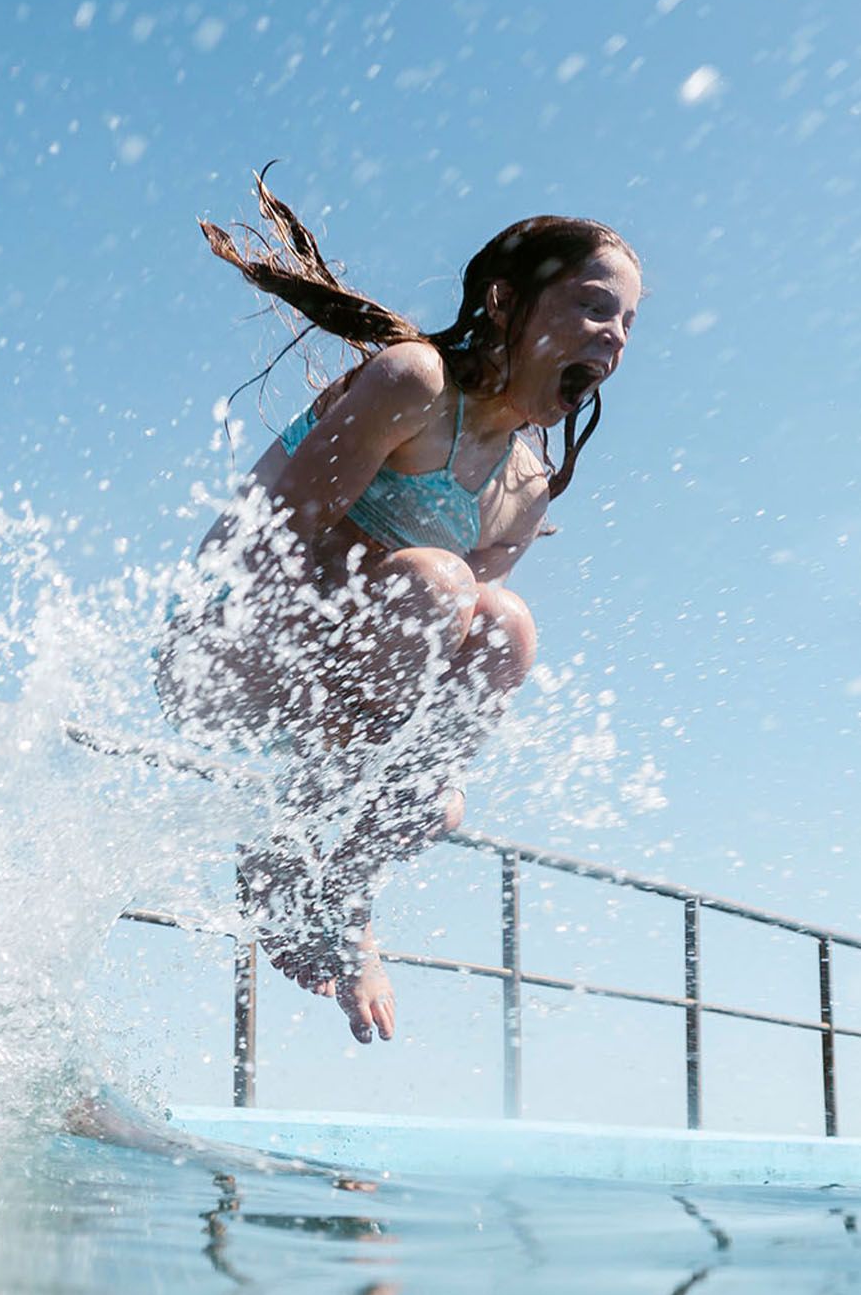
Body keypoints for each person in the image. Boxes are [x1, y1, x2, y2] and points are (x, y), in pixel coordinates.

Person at [156, 173, 641, 1045]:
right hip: (228, 651)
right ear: (504, 301)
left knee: (503, 639)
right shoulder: (413, 383)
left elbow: (442, 673)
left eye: (629, 324)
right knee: (440, 586)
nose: (614, 337)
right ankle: (281, 853)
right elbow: (270, 544)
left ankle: (344, 892)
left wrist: (412, 789)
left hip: (327, 693)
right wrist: (413, 579)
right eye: (594, 307)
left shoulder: (522, 489)